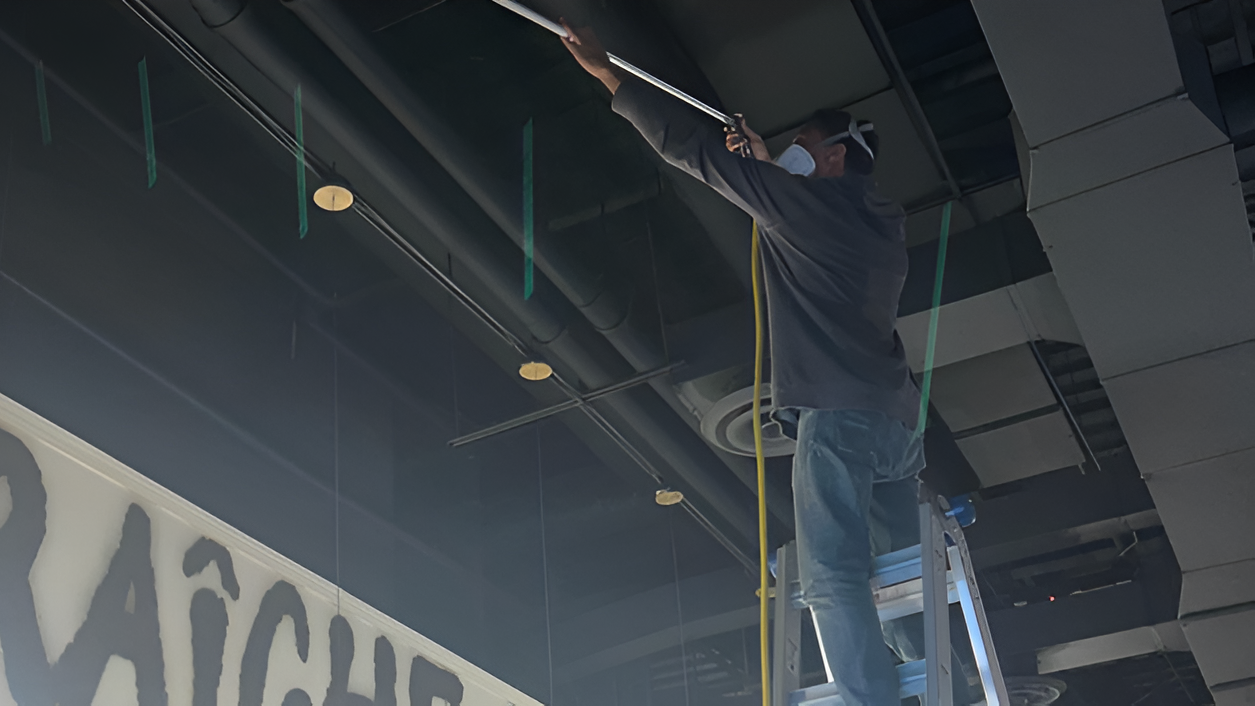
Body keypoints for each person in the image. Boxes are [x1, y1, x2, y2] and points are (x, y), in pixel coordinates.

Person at [559, 21, 939, 706]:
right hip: (892, 422)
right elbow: (782, 203)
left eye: (801, 145)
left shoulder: (809, 208)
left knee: (832, 573)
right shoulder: (877, 224)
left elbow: (691, 150)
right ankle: (936, 681)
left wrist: (607, 75)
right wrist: (767, 165)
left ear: (830, 158)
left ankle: (871, 701)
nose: (792, 152)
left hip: (838, 414)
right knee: (898, 573)